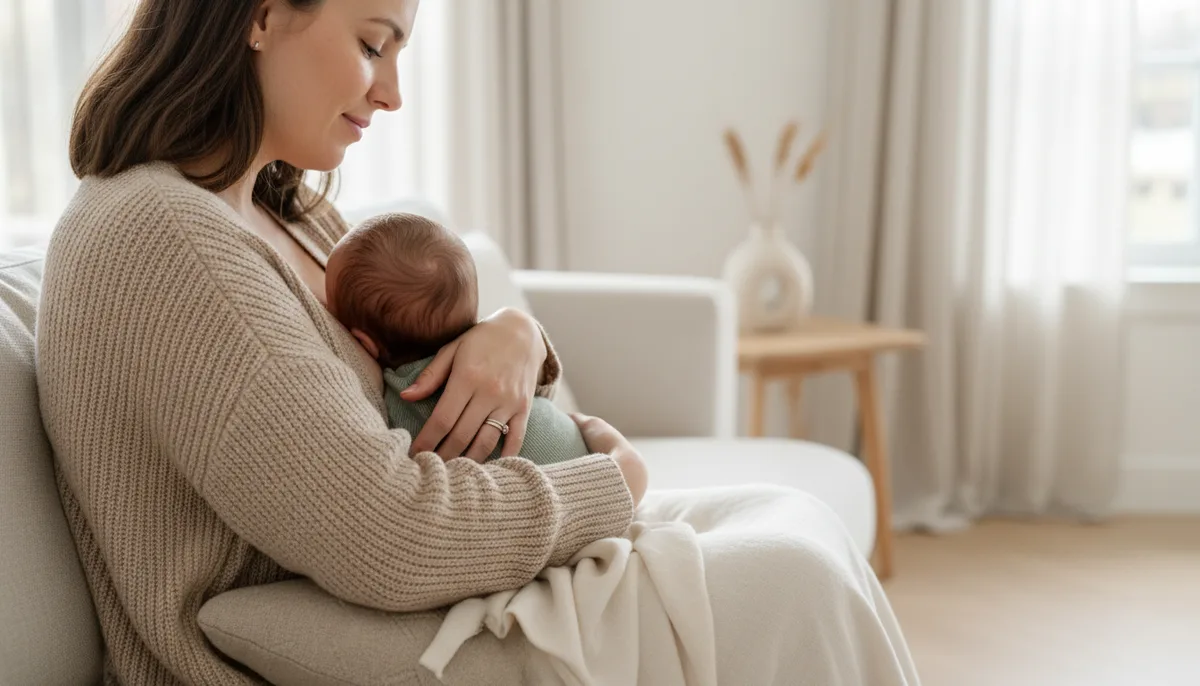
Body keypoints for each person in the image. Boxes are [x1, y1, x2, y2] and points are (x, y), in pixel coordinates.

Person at [36, 0, 919, 683]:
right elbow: (382, 535)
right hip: (346, 639)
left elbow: (416, 362)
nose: (392, 92)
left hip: (426, 605)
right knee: (791, 577)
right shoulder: (156, 235)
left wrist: (517, 336)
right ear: (261, 15)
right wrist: (608, 487)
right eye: (373, 43)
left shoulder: (281, 212)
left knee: (799, 528)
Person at [326, 211, 589, 466]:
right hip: (582, 449)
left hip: (565, 489)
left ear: (364, 344)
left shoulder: (398, 407)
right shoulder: (501, 361)